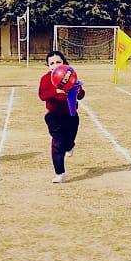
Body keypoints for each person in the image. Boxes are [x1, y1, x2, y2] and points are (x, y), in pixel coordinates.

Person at [39, 50, 85, 183]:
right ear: (48, 66)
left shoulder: (70, 76)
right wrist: (56, 91)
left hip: (71, 114)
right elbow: (42, 95)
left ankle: (70, 146)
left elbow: (80, 95)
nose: (55, 65)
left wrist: (77, 89)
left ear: (63, 62)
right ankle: (59, 173)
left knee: (69, 140)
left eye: (58, 62)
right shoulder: (46, 79)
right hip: (54, 116)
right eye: (51, 63)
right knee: (58, 142)